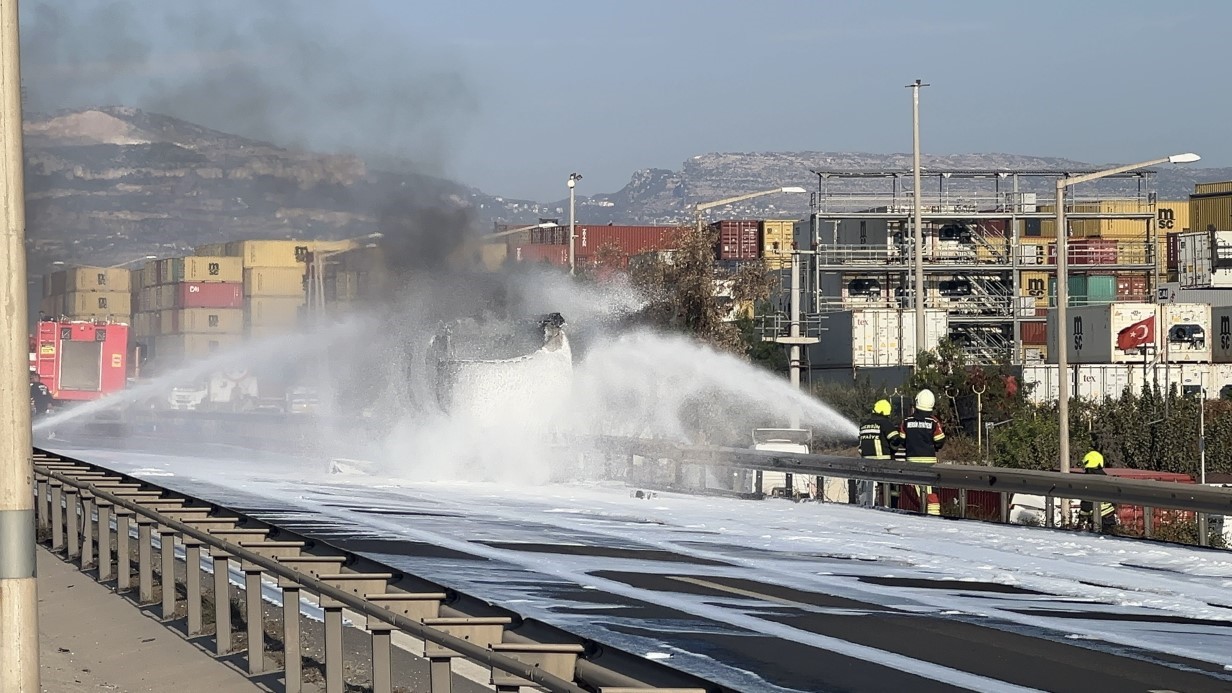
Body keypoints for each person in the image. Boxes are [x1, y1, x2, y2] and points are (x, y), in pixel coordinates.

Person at [889, 389, 945, 515]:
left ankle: (923, 513)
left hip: (912, 461)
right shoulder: (934, 422)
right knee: (930, 492)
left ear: (917, 402)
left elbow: (902, 439)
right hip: (929, 462)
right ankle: (933, 516)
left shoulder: (907, 421)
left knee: (919, 491)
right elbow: (940, 440)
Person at [856, 399, 897, 507]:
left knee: (869, 491)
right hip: (883, 464)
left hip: (866, 464)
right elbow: (896, 440)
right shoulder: (885, 424)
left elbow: (860, 447)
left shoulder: (864, 425)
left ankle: (871, 505)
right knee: (892, 489)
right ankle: (891, 506)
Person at [1077, 450, 1117, 532]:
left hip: (1095, 517)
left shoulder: (1087, 480)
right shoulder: (1106, 478)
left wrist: (1082, 518)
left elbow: (1086, 505)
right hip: (1108, 516)